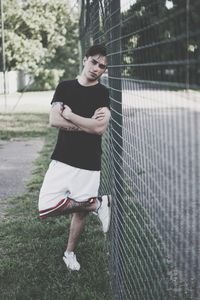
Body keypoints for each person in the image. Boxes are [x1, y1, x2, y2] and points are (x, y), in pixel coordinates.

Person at [38, 44, 111, 271]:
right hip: (63, 157)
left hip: (89, 161)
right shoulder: (65, 87)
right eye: (94, 62)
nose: (97, 68)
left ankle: (70, 253)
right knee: (46, 206)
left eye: (102, 66)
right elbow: (54, 121)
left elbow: (99, 128)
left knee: (79, 214)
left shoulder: (102, 93)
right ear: (85, 59)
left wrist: (71, 115)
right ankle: (97, 204)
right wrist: (84, 123)